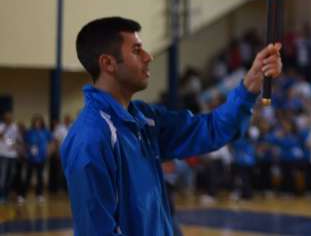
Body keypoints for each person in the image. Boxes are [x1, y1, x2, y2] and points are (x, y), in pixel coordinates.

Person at [61, 17, 282, 235]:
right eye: (137, 50)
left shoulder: (145, 119)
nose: (149, 56)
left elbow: (211, 129)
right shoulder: (90, 137)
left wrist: (251, 82)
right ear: (108, 63)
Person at [22, 115, 52, 201]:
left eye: (39, 122)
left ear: (42, 123)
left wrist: (49, 152)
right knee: (27, 176)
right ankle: (23, 195)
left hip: (41, 158)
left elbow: (52, 142)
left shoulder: (46, 132)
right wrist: (26, 151)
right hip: (31, 158)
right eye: (36, 122)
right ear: (33, 123)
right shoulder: (29, 132)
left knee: (40, 177)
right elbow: (25, 143)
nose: (37, 124)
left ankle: (39, 195)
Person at [0, 112, 20, 203]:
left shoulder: (15, 127)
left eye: (10, 118)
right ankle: (2, 196)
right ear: (4, 119)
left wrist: (15, 145)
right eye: (7, 118)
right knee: (3, 176)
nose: (9, 119)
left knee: (12, 175)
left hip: (13, 154)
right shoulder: (1, 126)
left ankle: (7, 194)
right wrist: (5, 129)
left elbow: (17, 140)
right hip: (3, 154)